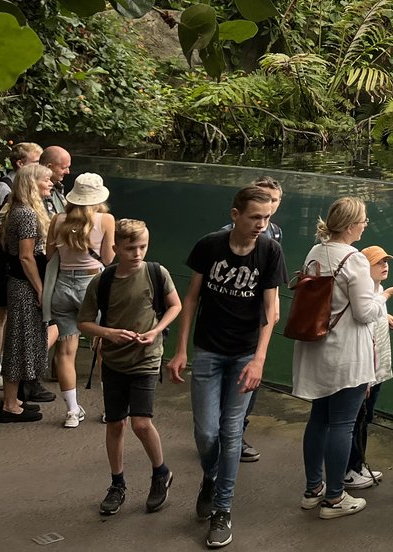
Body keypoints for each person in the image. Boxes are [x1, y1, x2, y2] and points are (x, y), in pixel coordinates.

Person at [168, 185, 285, 550]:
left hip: (244, 354)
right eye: (254, 218)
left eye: (266, 218)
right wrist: (180, 349)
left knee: (231, 430)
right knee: (205, 432)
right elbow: (190, 299)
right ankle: (212, 476)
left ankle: (222, 509)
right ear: (235, 215)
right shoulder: (210, 246)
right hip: (208, 349)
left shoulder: (270, 250)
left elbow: (272, 311)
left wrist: (259, 360)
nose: (261, 225)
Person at [78, 218, 182, 516]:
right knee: (115, 423)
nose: (137, 253)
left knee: (140, 422)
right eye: (130, 248)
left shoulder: (156, 272)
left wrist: (156, 330)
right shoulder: (103, 280)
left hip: (146, 359)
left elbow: (175, 305)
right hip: (113, 360)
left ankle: (160, 473)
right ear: (115, 248)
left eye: (143, 247)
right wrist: (107, 333)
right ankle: (117, 483)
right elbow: (83, 321)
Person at [292, 197, 384, 520]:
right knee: (343, 425)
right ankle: (334, 498)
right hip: (346, 354)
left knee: (319, 418)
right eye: (363, 220)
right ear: (349, 227)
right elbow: (364, 313)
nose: (365, 225)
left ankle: (312, 488)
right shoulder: (355, 259)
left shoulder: (314, 252)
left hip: (316, 349)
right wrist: (380, 295)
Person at [222, 176, 284, 466]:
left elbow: (272, 277)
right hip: (235, 318)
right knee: (232, 375)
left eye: (274, 201)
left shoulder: (276, 234)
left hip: (260, 315)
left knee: (252, 376)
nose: (269, 206)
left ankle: (236, 434)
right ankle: (226, 435)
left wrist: (274, 307)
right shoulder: (228, 234)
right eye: (264, 199)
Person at [46, 172, 115, 427]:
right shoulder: (106, 220)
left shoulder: (57, 219)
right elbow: (107, 260)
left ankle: (72, 412)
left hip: (62, 287)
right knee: (102, 348)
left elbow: (49, 254)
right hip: (92, 287)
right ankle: (110, 408)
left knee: (65, 351)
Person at [346, 244, 393, 490]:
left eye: (386, 261)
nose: (385, 265)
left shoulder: (378, 290)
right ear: (364, 267)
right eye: (379, 262)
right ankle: (350, 470)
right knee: (357, 420)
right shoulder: (368, 295)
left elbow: (374, 315)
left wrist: (385, 314)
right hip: (367, 373)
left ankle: (358, 466)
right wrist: (367, 378)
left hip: (377, 370)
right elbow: (364, 331)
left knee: (366, 418)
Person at [0, 163, 52, 421]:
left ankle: (14, 398)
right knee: (18, 342)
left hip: (19, 285)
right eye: (46, 180)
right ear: (32, 183)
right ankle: (9, 404)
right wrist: (40, 290)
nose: (50, 184)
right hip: (24, 287)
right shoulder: (27, 215)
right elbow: (26, 256)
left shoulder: (16, 210)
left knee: (20, 340)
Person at [0, 141, 41, 390]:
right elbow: (22, 251)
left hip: (15, 268)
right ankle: (2, 374)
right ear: (21, 165)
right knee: (6, 321)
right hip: (11, 268)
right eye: (36, 163)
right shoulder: (5, 192)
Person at [39, 145, 70, 213]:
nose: (68, 172)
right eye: (63, 168)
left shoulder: (57, 187)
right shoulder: (36, 193)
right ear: (49, 167)